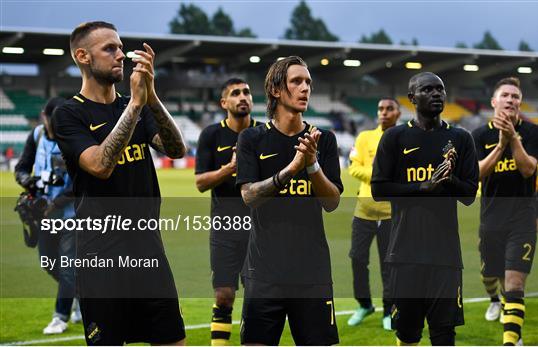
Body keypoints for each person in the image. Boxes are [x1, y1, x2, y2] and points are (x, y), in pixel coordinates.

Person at [52, 21, 187, 345]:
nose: (121, 54)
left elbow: (175, 149)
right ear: (83, 56)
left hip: (149, 251)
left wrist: (150, 96)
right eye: (110, 48)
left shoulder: (138, 103)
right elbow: (99, 165)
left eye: (121, 47)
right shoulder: (69, 114)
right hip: (101, 259)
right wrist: (136, 105)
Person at [235, 56, 343, 345]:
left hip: (312, 273)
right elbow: (248, 196)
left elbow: (332, 202)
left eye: (308, 82)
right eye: (297, 81)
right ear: (275, 89)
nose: (305, 87)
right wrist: (291, 170)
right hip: (264, 273)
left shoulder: (324, 140)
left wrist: (312, 165)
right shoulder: (251, 139)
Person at [371, 72, 479, 346]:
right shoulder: (394, 138)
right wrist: (422, 187)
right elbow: (379, 188)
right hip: (405, 255)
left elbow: (469, 195)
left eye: (440, 89)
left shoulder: (461, 139)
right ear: (411, 98)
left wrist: (447, 179)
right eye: (428, 89)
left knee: (444, 335)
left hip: (446, 257)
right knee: (407, 335)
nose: (436, 94)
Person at [472, 77, 538, 346]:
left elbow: (528, 169)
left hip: (522, 219)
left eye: (515, 96)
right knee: (491, 275)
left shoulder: (533, 133)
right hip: (490, 219)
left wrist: (513, 140)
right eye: (506, 95)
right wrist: (501, 144)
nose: (511, 100)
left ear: (520, 103)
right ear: (494, 102)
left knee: (514, 282)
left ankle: (512, 340)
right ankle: (494, 300)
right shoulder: (478, 136)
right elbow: (476, 174)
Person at [195, 77, 257, 345]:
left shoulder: (264, 133)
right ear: (224, 103)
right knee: (223, 295)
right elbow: (200, 183)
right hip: (225, 229)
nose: (242, 97)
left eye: (246, 92)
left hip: (260, 229)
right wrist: (229, 169)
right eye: (235, 93)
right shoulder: (211, 134)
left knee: (257, 297)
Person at [15, 96, 81, 335]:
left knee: (67, 266)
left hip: (71, 214)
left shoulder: (74, 139)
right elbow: (22, 167)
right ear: (45, 116)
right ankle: (80, 294)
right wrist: (28, 183)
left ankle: (60, 317)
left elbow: (80, 182)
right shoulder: (37, 136)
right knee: (48, 262)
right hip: (45, 215)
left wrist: (56, 203)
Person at [347, 97, 401, 330]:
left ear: (398, 113)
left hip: (391, 214)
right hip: (364, 212)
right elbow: (353, 168)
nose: (384, 112)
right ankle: (364, 304)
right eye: (380, 108)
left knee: (389, 265)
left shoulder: (404, 139)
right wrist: (381, 176)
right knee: (357, 259)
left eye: (389, 109)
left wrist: (381, 176)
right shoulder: (364, 137)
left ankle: (389, 311)